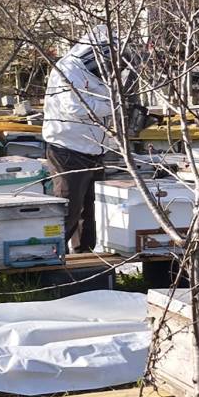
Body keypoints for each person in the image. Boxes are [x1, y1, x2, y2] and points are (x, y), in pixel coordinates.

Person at [42, 26, 130, 253]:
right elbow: (75, 107)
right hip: (67, 148)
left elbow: (115, 98)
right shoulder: (67, 69)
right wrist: (115, 106)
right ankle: (50, 256)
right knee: (68, 208)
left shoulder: (108, 71)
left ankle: (85, 258)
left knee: (91, 212)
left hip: (95, 149)